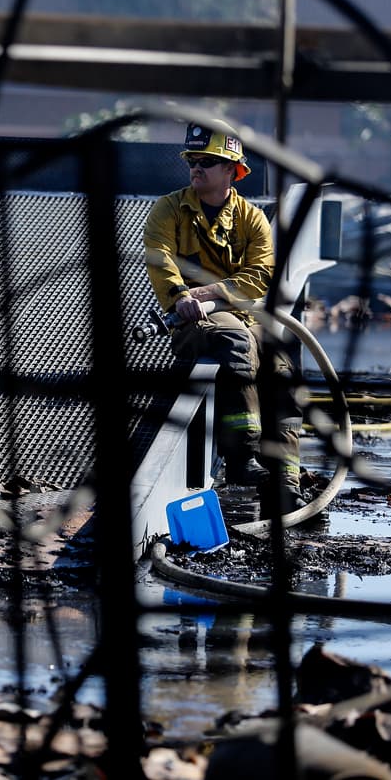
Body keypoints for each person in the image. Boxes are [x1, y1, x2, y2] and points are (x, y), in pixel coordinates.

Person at [141, 119, 303, 513]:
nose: (196, 167)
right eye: (192, 160)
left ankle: (285, 482)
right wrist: (181, 297)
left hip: (244, 312)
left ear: (232, 170)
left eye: (207, 161)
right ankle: (240, 457)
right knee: (235, 340)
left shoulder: (251, 220)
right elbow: (160, 259)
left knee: (281, 360)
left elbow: (260, 275)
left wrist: (209, 291)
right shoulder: (169, 210)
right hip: (195, 322)